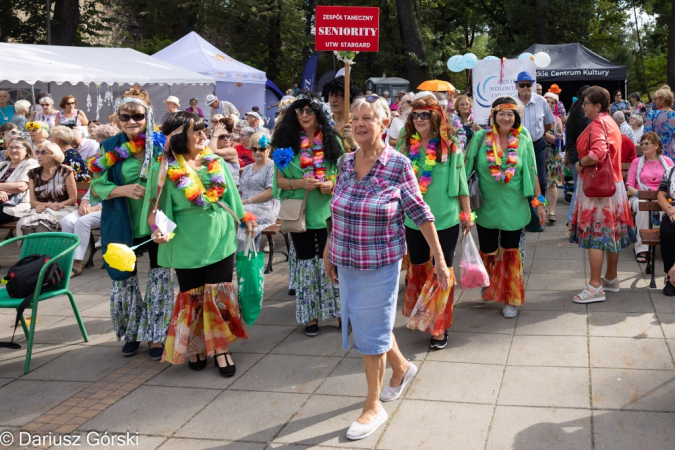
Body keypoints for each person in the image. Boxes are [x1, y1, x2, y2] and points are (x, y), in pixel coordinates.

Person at [324, 95, 449, 440]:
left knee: (372, 331)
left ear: (383, 124)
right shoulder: (346, 162)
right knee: (368, 324)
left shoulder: (398, 165)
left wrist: (439, 259)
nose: (361, 124)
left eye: (369, 118)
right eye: (356, 119)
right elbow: (338, 209)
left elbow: (421, 213)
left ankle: (372, 405)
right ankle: (402, 368)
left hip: (380, 262)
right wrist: (328, 251)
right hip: (347, 259)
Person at [142, 112, 252, 376]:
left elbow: (233, 197)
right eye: (198, 132)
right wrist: (158, 230)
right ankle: (196, 345)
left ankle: (222, 348)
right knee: (191, 297)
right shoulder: (164, 168)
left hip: (221, 237)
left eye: (205, 130)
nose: (205, 136)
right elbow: (153, 208)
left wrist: (245, 218)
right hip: (186, 241)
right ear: (179, 138)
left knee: (217, 293)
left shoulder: (215, 161)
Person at [89, 88, 175, 360]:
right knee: (123, 279)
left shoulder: (163, 144)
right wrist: (123, 190)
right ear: (118, 119)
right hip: (121, 221)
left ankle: (157, 335)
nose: (131, 122)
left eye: (137, 116)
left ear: (148, 115)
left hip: (156, 223)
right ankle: (132, 333)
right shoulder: (109, 146)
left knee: (160, 278)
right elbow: (97, 183)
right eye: (125, 117)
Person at [397, 95, 471, 349]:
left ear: (436, 116)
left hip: (445, 217)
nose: (419, 119)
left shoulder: (450, 145)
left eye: (424, 114)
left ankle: (438, 327)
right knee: (418, 266)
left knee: (442, 268)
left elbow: (461, 182)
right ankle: (422, 313)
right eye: (415, 115)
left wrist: (466, 214)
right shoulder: (405, 145)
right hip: (413, 218)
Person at [465, 96, 546, 317]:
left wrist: (539, 203)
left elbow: (531, 170)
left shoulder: (523, 138)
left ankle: (511, 298)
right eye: (502, 113)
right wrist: (463, 206)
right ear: (493, 116)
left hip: (514, 205)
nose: (506, 117)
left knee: (511, 253)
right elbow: (465, 169)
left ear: (516, 117)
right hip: (485, 206)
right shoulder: (481, 137)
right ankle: (491, 283)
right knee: (488, 250)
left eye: (511, 114)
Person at [272, 91, 343, 336]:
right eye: (299, 110)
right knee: (305, 264)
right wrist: (301, 184)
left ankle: (340, 312)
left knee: (333, 263)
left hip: (328, 212)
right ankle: (310, 316)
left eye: (308, 110)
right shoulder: (285, 144)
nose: (304, 115)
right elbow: (278, 183)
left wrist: (330, 183)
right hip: (299, 214)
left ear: (317, 113)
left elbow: (345, 174)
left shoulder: (332, 139)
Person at [569, 86, 636, 303]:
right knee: (610, 233)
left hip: (598, 188)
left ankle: (595, 286)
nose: (583, 107)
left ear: (597, 105)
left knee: (596, 236)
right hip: (613, 185)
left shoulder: (598, 124)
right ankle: (611, 278)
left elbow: (598, 153)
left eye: (586, 103)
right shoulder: (610, 122)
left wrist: (580, 162)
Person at [626, 132, 673, 263]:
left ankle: (668, 244)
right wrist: (640, 194)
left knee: (668, 208)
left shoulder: (667, 162)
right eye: (642, 143)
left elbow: (672, 182)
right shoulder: (636, 162)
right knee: (642, 205)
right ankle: (642, 249)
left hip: (662, 196)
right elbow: (629, 185)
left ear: (656, 145)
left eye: (647, 143)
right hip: (640, 196)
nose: (643, 146)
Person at [18, 142, 77, 235]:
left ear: (54, 155)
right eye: (37, 152)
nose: (39, 156)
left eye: (43, 153)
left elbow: (73, 198)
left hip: (63, 209)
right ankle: (31, 250)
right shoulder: (33, 173)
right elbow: (33, 202)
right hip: (41, 210)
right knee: (26, 225)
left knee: (41, 225)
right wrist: (46, 206)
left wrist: (58, 205)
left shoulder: (65, 171)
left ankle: (47, 249)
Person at [236, 132, 280, 251]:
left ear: (269, 149)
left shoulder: (273, 166)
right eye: (254, 149)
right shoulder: (247, 168)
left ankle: (241, 258)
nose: (257, 152)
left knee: (242, 214)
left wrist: (246, 202)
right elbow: (240, 191)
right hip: (245, 205)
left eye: (262, 149)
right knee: (229, 214)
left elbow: (270, 192)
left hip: (265, 206)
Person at [515, 71, 555, 198]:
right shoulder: (511, 101)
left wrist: (540, 133)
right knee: (518, 179)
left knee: (541, 180)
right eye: (522, 85)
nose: (525, 88)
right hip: (516, 146)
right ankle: (525, 210)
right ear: (516, 86)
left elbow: (549, 123)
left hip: (537, 145)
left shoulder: (541, 101)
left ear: (532, 85)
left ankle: (540, 209)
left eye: (528, 84)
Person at [564, 86, 591, 226]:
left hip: (574, 155)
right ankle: (572, 220)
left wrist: (567, 156)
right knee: (580, 188)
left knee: (577, 188)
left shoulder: (573, 111)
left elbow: (568, 137)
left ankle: (574, 220)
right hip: (583, 156)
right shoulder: (584, 114)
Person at [60, 187, 101, 277]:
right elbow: (87, 196)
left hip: (109, 209)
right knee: (66, 221)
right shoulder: (99, 174)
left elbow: (119, 200)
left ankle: (77, 264)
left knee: (82, 222)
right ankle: (68, 261)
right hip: (90, 208)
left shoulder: (117, 174)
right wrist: (82, 206)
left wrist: (95, 209)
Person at [0, 138, 39, 224]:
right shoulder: (4, 164)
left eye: (17, 147)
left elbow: (20, 186)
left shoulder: (31, 163)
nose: (13, 150)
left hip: (16, 205)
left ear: (27, 150)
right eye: (10, 147)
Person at [322, 76, 363, 152]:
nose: (333, 100)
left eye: (337, 96)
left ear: (349, 98)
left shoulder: (359, 124)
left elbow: (368, 155)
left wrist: (353, 144)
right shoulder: (324, 123)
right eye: (331, 95)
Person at [543, 92, 564, 223]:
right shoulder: (538, 117)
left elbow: (557, 141)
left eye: (553, 102)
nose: (550, 104)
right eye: (547, 101)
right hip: (538, 154)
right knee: (538, 183)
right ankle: (540, 210)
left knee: (552, 185)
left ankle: (551, 212)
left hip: (552, 156)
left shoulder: (557, 121)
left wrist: (543, 132)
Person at [657, 162, 675, 295]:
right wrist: (669, 211)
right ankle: (670, 276)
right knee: (667, 232)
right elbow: (661, 195)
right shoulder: (670, 171)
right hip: (672, 211)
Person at [645, 87, 675, 160]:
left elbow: (647, 135)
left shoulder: (652, 115)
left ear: (663, 100)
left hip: (657, 151)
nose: (655, 101)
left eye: (656, 99)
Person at [211, 120, 240, 186]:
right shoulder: (212, 147)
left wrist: (215, 134)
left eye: (228, 136)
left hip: (232, 187)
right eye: (222, 137)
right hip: (218, 187)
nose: (226, 139)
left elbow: (211, 152)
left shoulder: (232, 151)